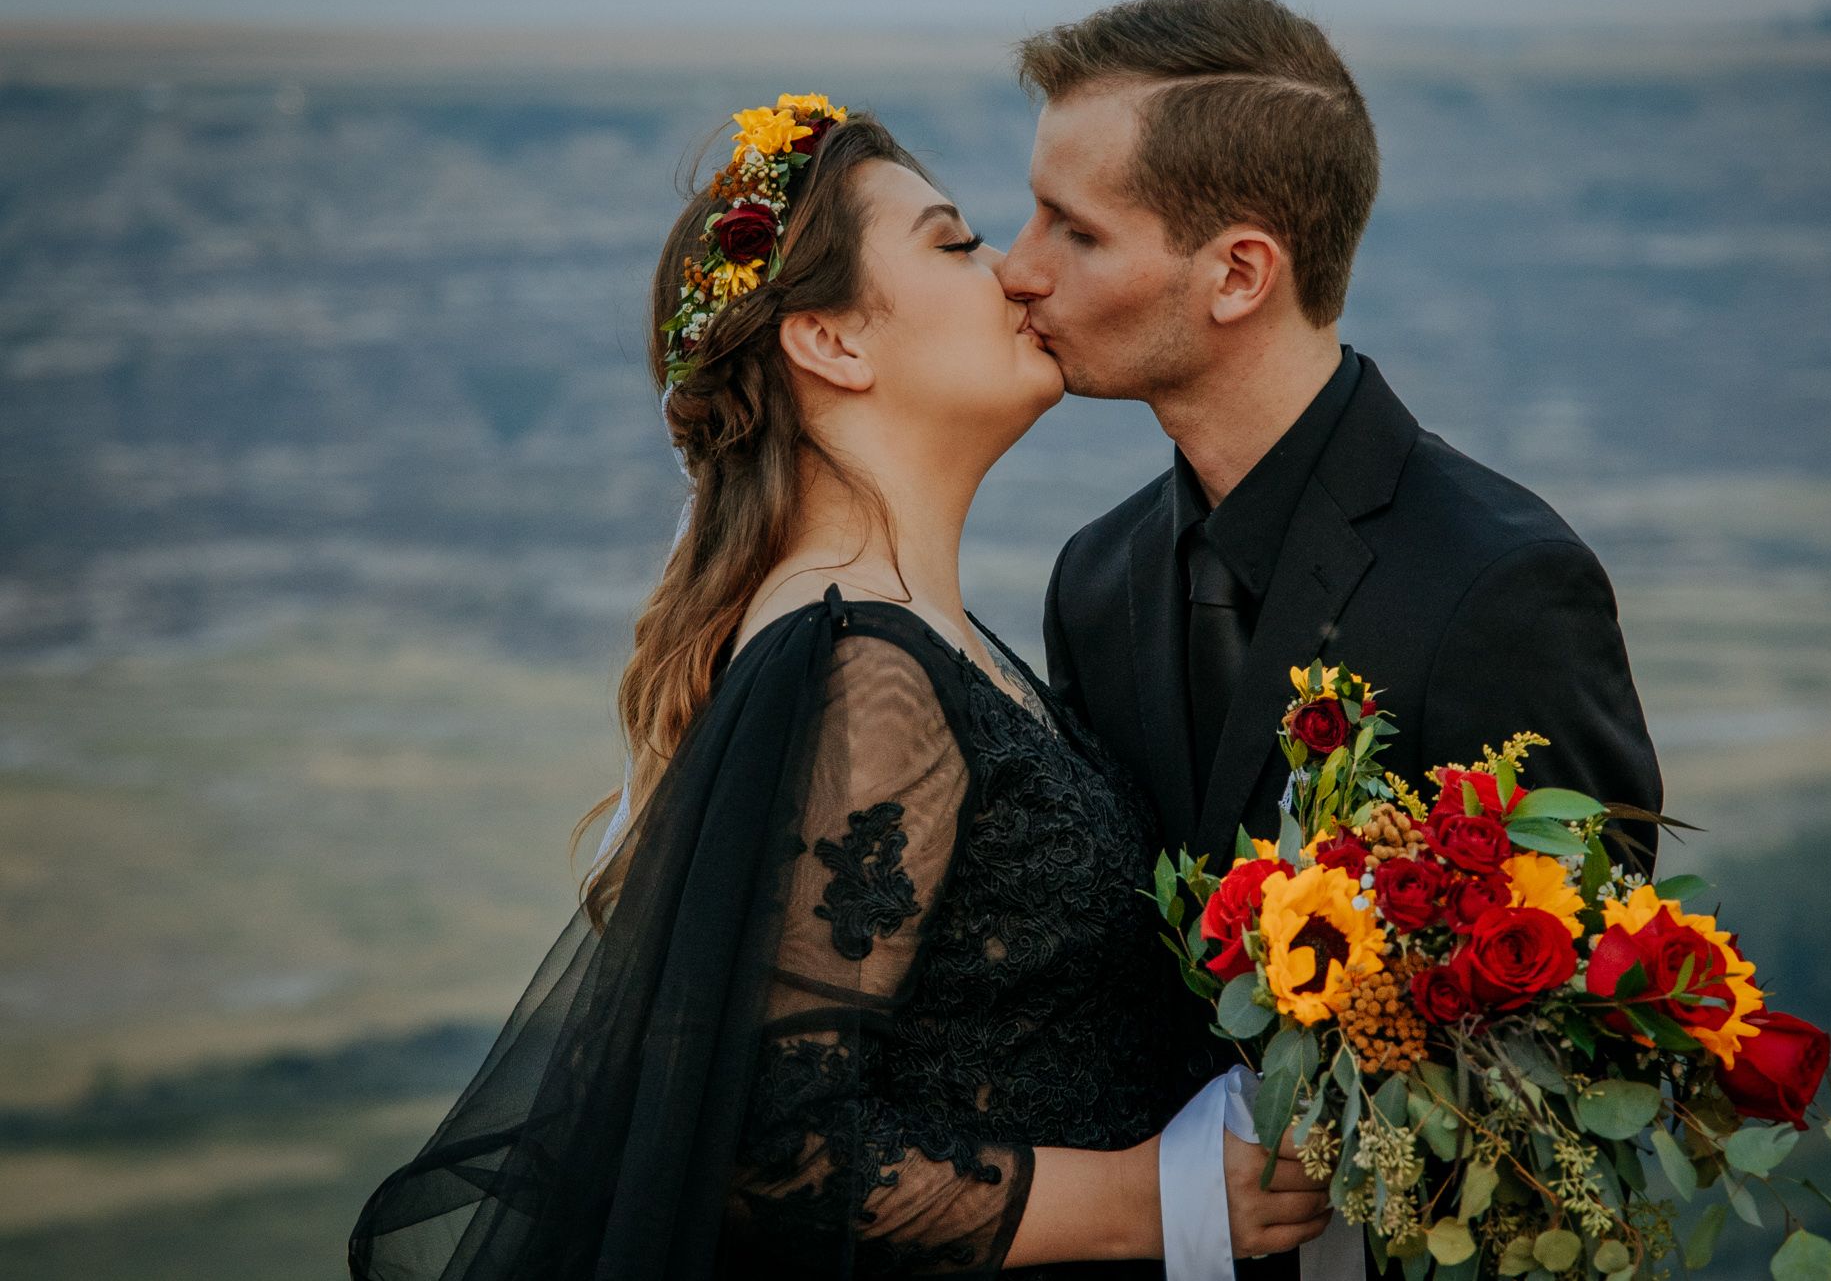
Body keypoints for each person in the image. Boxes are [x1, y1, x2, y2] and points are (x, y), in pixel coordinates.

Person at [347, 97, 1330, 1280]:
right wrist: (1145, 1200)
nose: (1018, 275)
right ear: (833, 342)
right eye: (956, 244)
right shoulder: (862, 668)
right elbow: (769, 1142)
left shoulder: (921, 638)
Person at [1001, 0, 1666, 1274]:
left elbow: (1586, 1036)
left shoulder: (1501, 583)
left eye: (1072, 230)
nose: (1017, 267)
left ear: (1239, 272)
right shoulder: (1095, 574)